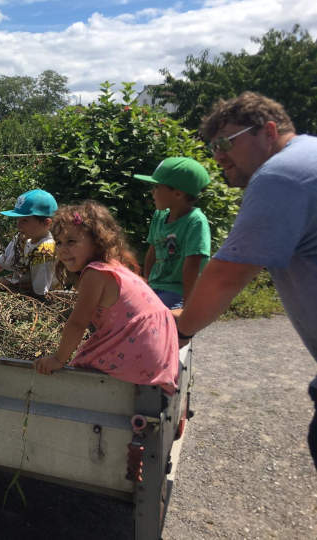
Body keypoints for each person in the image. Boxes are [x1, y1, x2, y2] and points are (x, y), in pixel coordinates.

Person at [174, 92, 317, 467]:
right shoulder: (308, 157)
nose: (218, 155)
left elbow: (227, 276)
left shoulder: (282, 175)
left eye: (226, 142)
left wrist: (180, 329)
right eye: (213, 146)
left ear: (269, 131)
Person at [34, 201, 180, 395]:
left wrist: (59, 359)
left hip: (139, 348)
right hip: (159, 349)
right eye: (58, 242)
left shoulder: (95, 274)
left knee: (81, 362)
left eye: (71, 241)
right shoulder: (114, 266)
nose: (62, 249)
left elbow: (77, 323)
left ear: (96, 241)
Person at [134, 157, 212, 309]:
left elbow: (193, 265)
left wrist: (188, 306)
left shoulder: (195, 222)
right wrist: (147, 284)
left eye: (157, 187)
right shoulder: (159, 215)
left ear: (178, 194)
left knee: (148, 317)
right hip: (155, 287)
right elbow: (152, 252)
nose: (152, 192)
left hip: (178, 292)